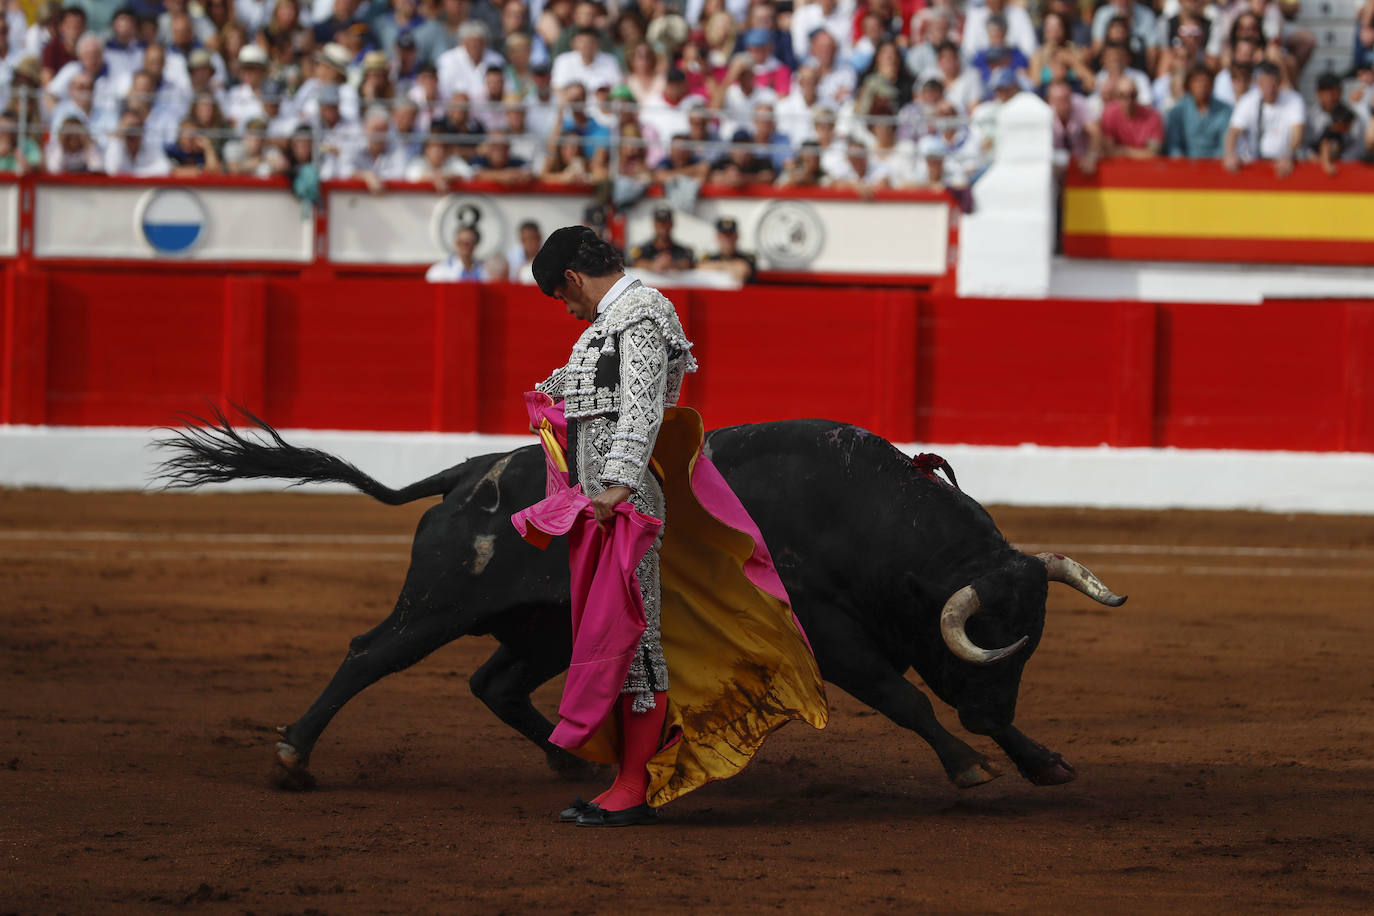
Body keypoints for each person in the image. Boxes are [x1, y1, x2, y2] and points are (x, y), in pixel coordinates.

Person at [515, 225, 826, 826]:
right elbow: (583, 389)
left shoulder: (640, 314)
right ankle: (626, 779)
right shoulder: (610, 323)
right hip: (600, 503)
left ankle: (634, 785)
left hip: (623, 505)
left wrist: (620, 485)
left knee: (634, 636)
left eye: (563, 297)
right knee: (613, 634)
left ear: (573, 280)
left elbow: (641, 407)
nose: (568, 310)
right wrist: (545, 402)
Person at [1165, 66, 1232, 158]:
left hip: (1215, 165)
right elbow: (1174, 146)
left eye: (1205, 81)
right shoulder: (1177, 111)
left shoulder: (1225, 110)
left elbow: (1224, 145)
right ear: (1189, 85)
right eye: (1197, 81)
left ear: (1212, 84)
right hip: (1185, 165)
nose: (1202, 86)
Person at [628, 206, 694, 272]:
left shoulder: (683, 251)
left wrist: (673, 264)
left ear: (671, 224)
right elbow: (633, 264)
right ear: (654, 225)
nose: (663, 227)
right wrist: (652, 265)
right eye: (660, 223)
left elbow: (690, 264)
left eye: (666, 223)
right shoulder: (642, 250)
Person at [697, 216, 756, 284]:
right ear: (718, 238)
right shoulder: (708, 258)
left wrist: (716, 267)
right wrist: (728, 267)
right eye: (724, 236)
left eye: (730, 236)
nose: (727, 240)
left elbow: (743, 271)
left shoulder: (747, 258)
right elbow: (699, 269)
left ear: (737, 237)